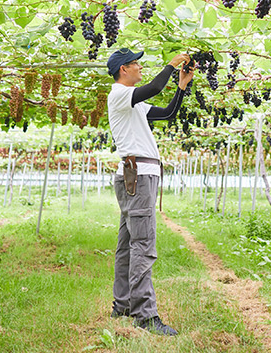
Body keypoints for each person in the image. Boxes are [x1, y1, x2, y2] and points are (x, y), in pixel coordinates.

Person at [106, 47, 193, 336]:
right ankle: (145, 316)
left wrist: (180, 87)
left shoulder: (131, 103)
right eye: (136, 64)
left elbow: (167, 113)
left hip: (137, 175)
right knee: (142, 245)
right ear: (123, 70)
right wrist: (171, 65)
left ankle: (123, 305)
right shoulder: (119, 93)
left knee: (128, 245)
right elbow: (155, 87)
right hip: (138, 176)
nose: (140, 68)